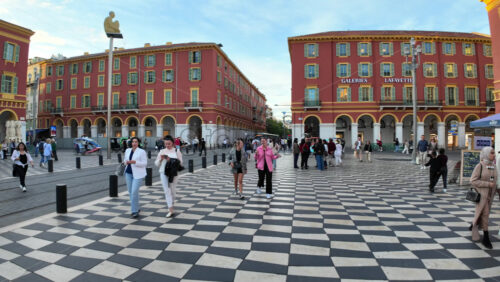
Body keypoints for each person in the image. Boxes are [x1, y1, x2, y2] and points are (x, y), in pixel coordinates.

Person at [470, 146, 499, 249]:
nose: (494, 155)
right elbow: (473, 181)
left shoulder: (494, 166)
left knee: (482, 213)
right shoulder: (480, 165)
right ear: (486, 154)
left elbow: (495, 181)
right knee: (485, 213)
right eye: (492, 153)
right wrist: (487, 184)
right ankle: (486, 237)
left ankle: (474, 223)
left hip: (490, 196)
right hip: (481, 195)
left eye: (494, 153)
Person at [155, 135, 183, 218]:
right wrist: (160, 159)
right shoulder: (162, 151)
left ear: (173, 143)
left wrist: (169, 160)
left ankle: (171, 204)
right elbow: (156, 164)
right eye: (166, 144)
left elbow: (180, 163)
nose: (167, 145)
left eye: (169, 144)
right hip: (163, 172)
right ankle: (170, 209)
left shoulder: (177, 151)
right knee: (167, 191)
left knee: (172, 191)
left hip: (173, 173)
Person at [123, 137, 147, 218]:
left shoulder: (142, 151)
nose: (134, 143)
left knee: (134, 192)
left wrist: (135, 162)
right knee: (131, 192)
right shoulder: (127, 150)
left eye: (136, 142)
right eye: (133, 142)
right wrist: (126, 162)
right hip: (128, 173)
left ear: (138, 143)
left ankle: (134, 211)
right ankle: (136, 207)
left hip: (138, 174)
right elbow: (124, 161)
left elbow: (144, 163)